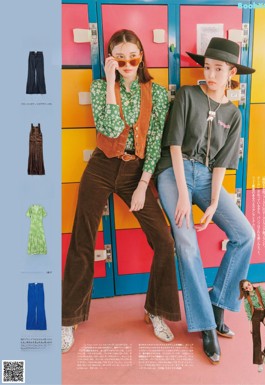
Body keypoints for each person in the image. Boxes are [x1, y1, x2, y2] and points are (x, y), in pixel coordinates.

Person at [61, 29, 181, 353]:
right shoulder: (100, 88)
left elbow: (154, 143)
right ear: (111, 58)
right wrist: (111, 84)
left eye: (133, 55)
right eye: (120, 56)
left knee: (165, 241)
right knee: (83, 240)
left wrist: (143, 185)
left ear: (142, 55)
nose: (128, 62)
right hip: (101, 167)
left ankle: (155, 310)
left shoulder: (155, 93)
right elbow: (111, 129)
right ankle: (68, 319)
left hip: (134, 174)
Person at [156, 37, 255, 364]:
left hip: (207, 178)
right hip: (175, 173)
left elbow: (223, 165)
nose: (211, 73)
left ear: (231, 73)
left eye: (218, 69)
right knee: (186, 244)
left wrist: (213, 203)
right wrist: (184, 195)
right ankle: (206, 326)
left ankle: (218, 304)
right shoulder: (187, 95)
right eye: (207, 66)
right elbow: (173, 146)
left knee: (245, 235)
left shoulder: (234, 114)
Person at [239, 279, 265, 372]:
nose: (249, 287)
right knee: (256, 339)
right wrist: (250, 325)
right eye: (246, 287)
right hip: (255, 316)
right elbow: (248, 313)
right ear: (245, 290)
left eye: (249, 284)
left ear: (251, 283)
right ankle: (259, 363)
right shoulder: (246, 299)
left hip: (264, 312)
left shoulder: (260, 289)